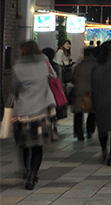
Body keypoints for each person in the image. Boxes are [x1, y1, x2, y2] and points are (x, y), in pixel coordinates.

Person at [12, 41, 59, 189]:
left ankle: (26, 171)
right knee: (38, 147)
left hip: (24, 111)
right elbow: (54, 76)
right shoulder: (44, 64)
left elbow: (15, 89)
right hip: (42, 110)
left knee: (25, 145)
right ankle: (32, 176)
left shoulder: (18, 67)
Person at [70, 47, 97, 141]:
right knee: (92, 112)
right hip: (91, 92)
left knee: (78, 113)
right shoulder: (96, 65)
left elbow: (73, 78)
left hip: (79, 91)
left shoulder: (79, 66)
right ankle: (90, 130)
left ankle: (79, 133)